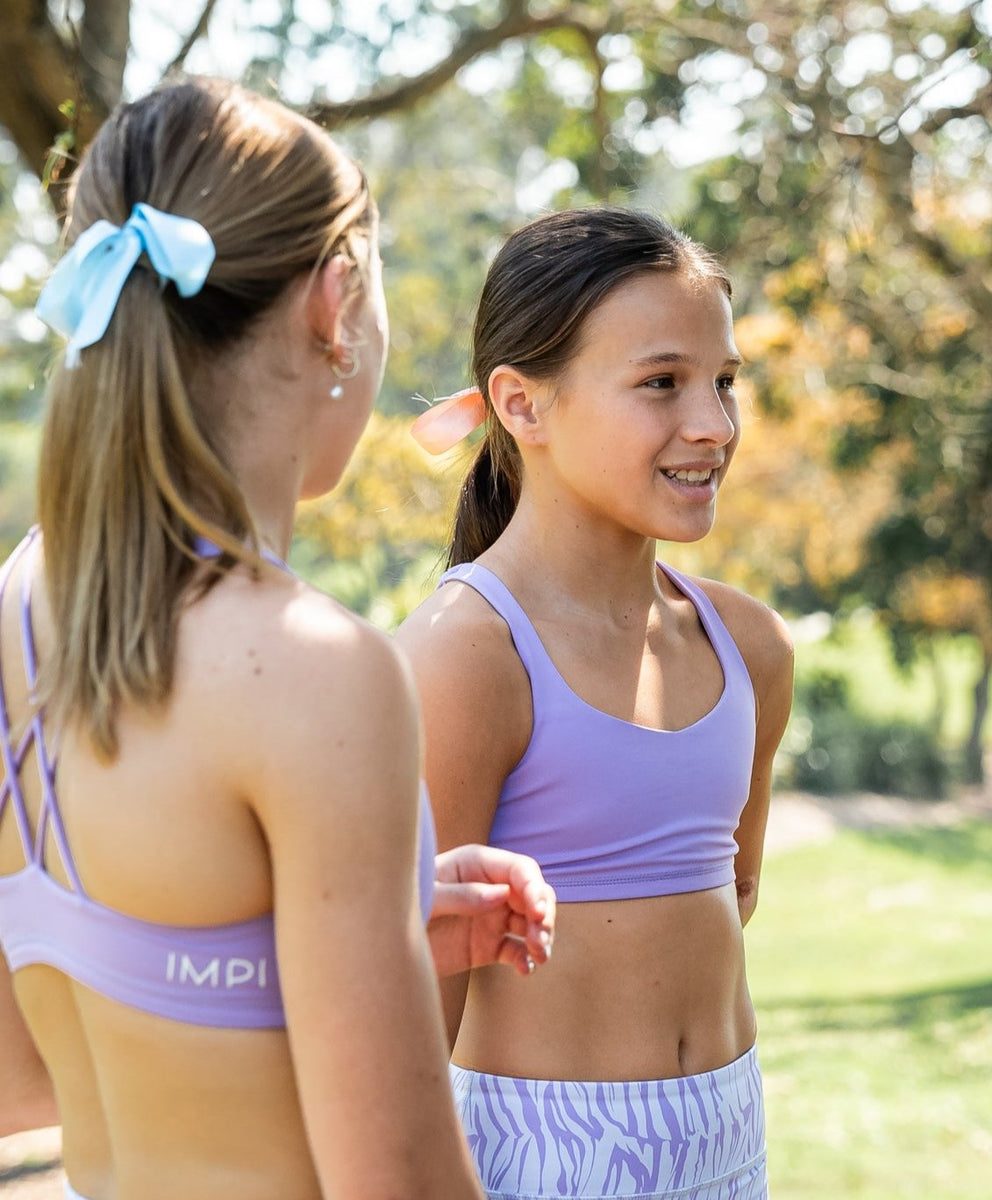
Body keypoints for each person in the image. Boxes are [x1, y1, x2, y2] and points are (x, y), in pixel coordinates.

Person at [0, 77, 555, 1200]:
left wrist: (352, 940)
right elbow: (397, 1182)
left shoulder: (24, 597)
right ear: (334, 304)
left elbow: (25, 1071)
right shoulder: (317, 675)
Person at [398, 207, 795, 1199]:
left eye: (724, 382)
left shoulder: (749, 648)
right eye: (661, 383)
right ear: (523, 405)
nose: (713, 423)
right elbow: (408, 1002)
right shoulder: (468, 658)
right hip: (542, 1162)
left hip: (729, 1147)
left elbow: (729, 899)